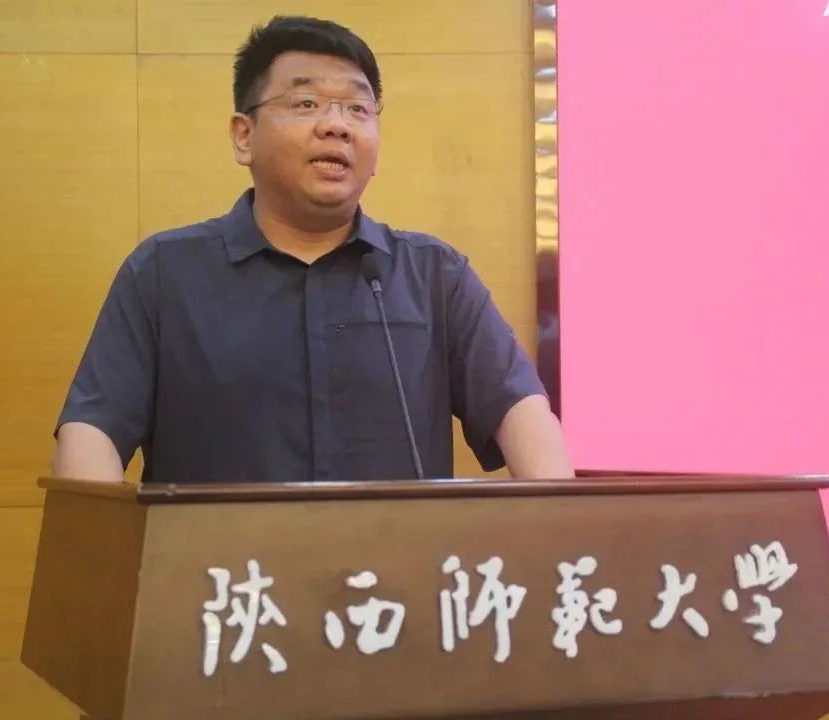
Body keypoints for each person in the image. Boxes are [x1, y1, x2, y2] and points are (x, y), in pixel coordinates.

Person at [51, 15, 572, 484]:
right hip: (220, 564)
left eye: (358, 108)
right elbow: (91, 434)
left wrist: (558, 532)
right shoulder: (164, 274)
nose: (337, 125)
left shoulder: (435, 275)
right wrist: (101, 546)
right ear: (244, 136)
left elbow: (523, 415)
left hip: (395, 564)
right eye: (306, 104)